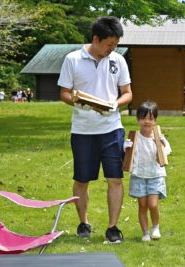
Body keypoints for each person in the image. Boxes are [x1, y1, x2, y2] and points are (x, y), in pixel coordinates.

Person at [58, 16, 132, 244]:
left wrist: (115, 104)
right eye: (109, 44)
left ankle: (112, 228)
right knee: (82, 179)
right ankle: (83, 222)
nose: (112, 49)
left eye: (115, 45)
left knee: (115, 179)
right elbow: (64, 93)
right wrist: (81, 102)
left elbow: (127, 93)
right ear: (96, 39)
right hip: (82, 130)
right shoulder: (73, 59)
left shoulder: (118, 61)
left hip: (112, 129)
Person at [123, 101, 172, 242]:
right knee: (142, 205)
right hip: (138, 176)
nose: (146, 121)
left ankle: (155, 227)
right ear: (138, 119)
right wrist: (126, 147)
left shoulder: (159, 138)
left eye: (150, 118)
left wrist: (162, 145)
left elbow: (166, 153)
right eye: (143, 118)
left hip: (155, 176)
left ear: (155, 120)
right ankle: (145, 233)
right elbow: (126, 154)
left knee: (153, 204)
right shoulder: (134, 137)